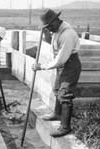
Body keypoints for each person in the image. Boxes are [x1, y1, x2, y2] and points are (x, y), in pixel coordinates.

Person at [32, 9, 81, 137]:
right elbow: (55, 48)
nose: (48, 29)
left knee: (65, 94)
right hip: (63, 64)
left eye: (49, 26)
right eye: (46, 27)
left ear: (56, 21)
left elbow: (61, 59)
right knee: (57, 89)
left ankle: (65, 127)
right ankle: (57, 114)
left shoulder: (67, 34)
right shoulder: (57, 29)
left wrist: (42, 66)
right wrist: (46, 36)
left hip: (70, 64)